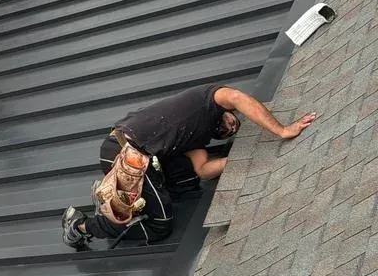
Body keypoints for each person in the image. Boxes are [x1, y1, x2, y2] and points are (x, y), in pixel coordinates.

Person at [61, 83, 317, 250]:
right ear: (227, 111)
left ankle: (116, 199)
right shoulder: (209, 99)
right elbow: (238, 97)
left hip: (140, 157)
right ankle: (81, 226)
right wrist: (281, 130)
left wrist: (242, 160)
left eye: (230, 132)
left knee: (184, 180)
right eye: (232, 122)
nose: (230, 127)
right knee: (160, 225)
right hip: (125, 150)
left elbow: (203, 169)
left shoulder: (196, 137)